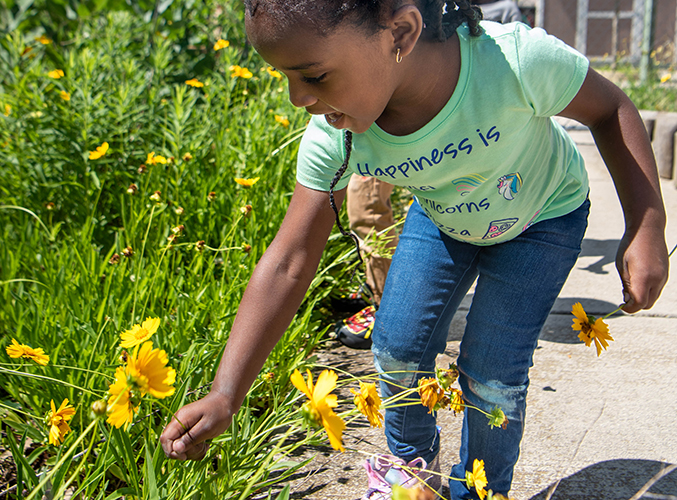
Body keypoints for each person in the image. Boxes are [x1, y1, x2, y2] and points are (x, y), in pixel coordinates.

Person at [160, 1, 669, 499]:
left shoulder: (513, 63)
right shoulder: (335, 136)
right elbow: (289, 261)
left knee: (491, 371)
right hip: (444, 217)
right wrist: (227, 391)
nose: (298, 99)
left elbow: (611, 109)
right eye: (286, 78)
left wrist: (646, 225)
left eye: (312, 76)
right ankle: (411, 480)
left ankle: (480, 491)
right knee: (397, 348)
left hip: (542, 218)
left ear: (400, 32)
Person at [335, 0, 520, 350]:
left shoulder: (503, 13)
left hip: (466, 131)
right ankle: (385, 306)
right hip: (388, 114)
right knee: (366, 205)